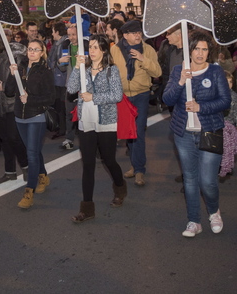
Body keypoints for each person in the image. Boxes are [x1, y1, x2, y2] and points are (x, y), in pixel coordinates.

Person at [163, 31, 230, 238]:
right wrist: (181, 81)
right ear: (190, 49)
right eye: (196, 48)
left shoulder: (215, 72)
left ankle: (213, 211)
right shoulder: (178, 70)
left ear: (209, 52)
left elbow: (225, 101)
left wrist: (201, 107)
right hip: (183, 133)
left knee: (208, 181)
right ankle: (194, 220)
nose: (200, 53)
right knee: (190, 179)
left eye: (204, 49)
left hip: (210, 131)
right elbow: (167, 99)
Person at [65, 35, 125, 223]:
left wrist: (94, 97)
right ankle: (87, 208)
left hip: (106, 120)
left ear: (104, 51)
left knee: (109, 160)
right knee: (88, 164)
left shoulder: (111, 70)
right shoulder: (84, 69)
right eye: (90, 47)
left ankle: (120, 186)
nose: (92, 50)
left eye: (96, 47)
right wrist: (76, 67)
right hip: (86, 121)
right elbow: (70, 88)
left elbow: (117, 95)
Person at [111, 19, 162, 186]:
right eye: (134, 33)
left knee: (138, 131)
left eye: (139, 32)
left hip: (141, 95)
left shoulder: (148, 49)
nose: (138, 35)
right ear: (125, 35)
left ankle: (140, 170)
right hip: (123, 96)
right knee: (129, 133)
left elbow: (157, 72)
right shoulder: (115, 50)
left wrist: (142, 59)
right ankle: (134, 165)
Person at [6, 39, 55, 209]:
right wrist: (12, 76)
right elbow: (8, 91)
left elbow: (50, 98)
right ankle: (42, 175)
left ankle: (29, 192)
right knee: (32, 151)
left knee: (31, 154)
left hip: (37, 116)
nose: (32, 52)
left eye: (36, 49)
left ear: (42, 52)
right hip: (20, 116)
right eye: (30, 49)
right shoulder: (20, 67)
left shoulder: (45, 71)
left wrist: (30, 99)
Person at [0, 34, 28, 184]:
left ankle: (26, 166)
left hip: (10, 104)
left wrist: (6, 86)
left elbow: (20, 81)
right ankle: (10, 171)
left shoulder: (14, 58)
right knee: (5, 140)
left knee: (14, 138)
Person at [57, 24, 89, 150]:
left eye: (74, 34)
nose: (71, 37)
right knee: (69, 113)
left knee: (85, 114)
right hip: (70, 85)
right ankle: (69, 139)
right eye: (69, 35)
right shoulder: (65, 46)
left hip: (86, 86)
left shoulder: (87, 46)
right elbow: (62, 68)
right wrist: (60, 61)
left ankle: (87, 140)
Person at [47, 21, 69, 141]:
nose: (52, 33)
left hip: (60, 80)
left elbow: (63, 65)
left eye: (53, 31)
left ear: (57, 32)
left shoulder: (62, 44)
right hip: (58, 79)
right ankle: (61, 128)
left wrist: (52, 64)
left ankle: (62, 129)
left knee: (60, 106)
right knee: (59, 106)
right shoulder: (58, 43)